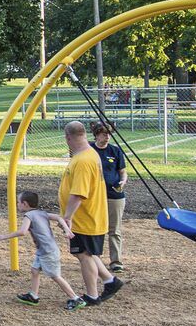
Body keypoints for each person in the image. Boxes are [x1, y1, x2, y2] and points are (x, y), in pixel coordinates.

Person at [59, 120, 119, 304]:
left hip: (85, 217)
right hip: (88, 216)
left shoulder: (84, 160)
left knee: (84, 255)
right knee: (87, 253)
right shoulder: (88, 154)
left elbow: (78, 194)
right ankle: (110, 281)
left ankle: (92, 296)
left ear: (68, 138)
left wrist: (67, 217)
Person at [13, 191, 86, 309]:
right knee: (35, 270)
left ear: (25, 204)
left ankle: (75, 298)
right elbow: (58, 218)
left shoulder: (29, 216)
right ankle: (33, 295)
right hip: (44, 250)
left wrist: (4, 236)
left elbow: (22, 232)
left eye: (18, 202)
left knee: (55, 276)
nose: (17, 204)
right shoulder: (41, 213)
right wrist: (67, 229)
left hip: (47, 252)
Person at [90, 122, 128, 272]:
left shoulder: (115, 151)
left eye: (109, 134)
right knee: (95, 228)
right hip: (94, 196)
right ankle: (95, 258)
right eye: (104, 133)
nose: (107, 137)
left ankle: (116, 261)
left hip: (114, 195)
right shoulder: (89, 150)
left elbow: (123, 171)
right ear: (97, 134)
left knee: (115, 229)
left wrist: (123, 181)